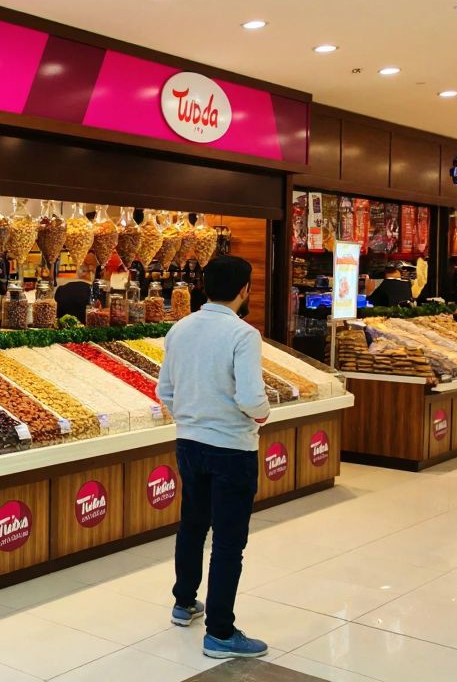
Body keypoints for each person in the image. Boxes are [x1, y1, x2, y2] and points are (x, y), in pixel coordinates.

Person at [157, 255, 271, 659]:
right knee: (227, 541)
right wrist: (262, 414)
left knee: (192, 525)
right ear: (244, 290)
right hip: (231, 448)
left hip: (189, 443)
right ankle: (221, 632)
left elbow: (165, 390)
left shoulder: (180, 328)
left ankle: (184, 603)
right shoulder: (243, 334)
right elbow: (251, 397)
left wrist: (192, 417)